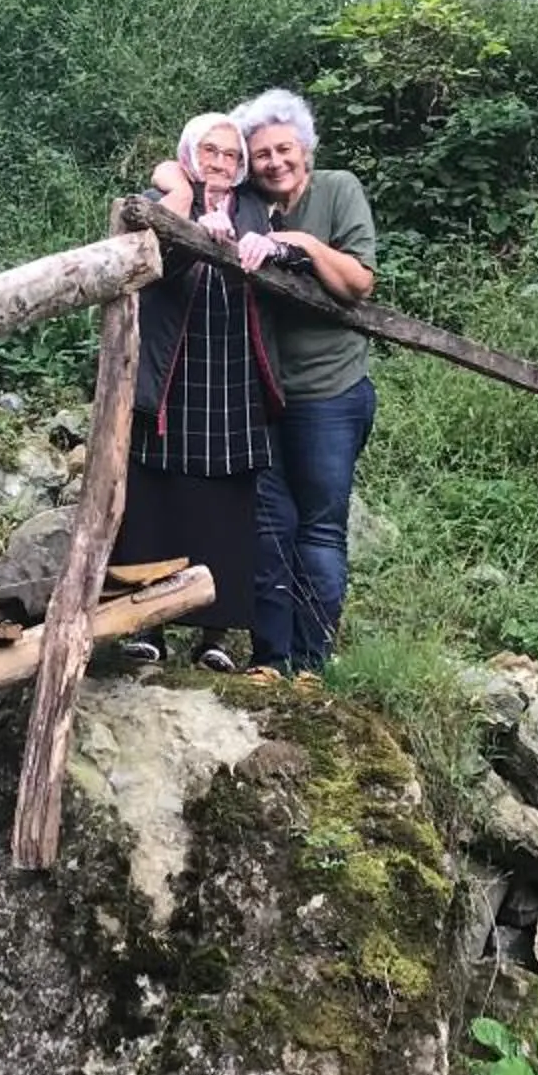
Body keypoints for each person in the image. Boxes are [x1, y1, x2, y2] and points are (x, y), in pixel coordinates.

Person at [111, 112, 289, 670]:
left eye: (231, 156)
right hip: (172, 369)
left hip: (232, 369)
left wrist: (269, 248)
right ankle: (150, 629)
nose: (221, 162)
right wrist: (190, 229)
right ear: (189, 154)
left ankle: (215, 635)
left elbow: (287, 259)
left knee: (226, 504)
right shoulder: (158, 199)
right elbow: (145, 268)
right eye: (209, 151)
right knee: (157, 501)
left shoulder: (258, 210)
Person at [233, 88, 377, 672]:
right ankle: (272, 658)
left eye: (283, 149)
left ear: (305, 149)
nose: (274, 162)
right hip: (260, 393)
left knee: (319, 529)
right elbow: (182, 172)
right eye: (261, 154)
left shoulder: (338, 190)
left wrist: (302, 242)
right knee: (269, 526)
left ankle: (311, 663)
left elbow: (358, 283)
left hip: (329, 391)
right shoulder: (244, 204)